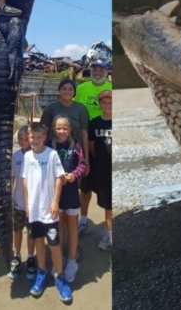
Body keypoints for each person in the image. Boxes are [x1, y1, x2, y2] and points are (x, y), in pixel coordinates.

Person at [23, 122, 72, 303]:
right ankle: (41, 272)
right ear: (28, 138)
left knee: (54, 244)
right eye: (32, 138)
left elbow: (60, 178)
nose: (35, 140)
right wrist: (28, 205)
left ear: (44, 137)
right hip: (34, 211)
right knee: (38, 243)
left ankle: (60, 277)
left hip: (49, 210)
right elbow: (25, 181)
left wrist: (55, 201)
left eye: (38, 137)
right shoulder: (27, 157)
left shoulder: (51, 154)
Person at [74, 59, 112, 236]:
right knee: (85, 184)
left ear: (106, 71)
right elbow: (74, 109)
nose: (97, 72)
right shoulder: (82, 89)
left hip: (106, 140)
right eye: (95, 69)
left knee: (107, 186)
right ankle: (83, 220)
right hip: (84, 140)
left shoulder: (112, 88)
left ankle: (110, 228)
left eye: (101, 69)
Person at [48, 115, 86, 284]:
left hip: (71, 193)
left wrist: (74, 175)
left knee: (71, 226)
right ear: (54, 129)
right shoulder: (49, 146)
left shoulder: (76, 146)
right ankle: (60, 258)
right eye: (58, 128)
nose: (62, 131)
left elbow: (82, 165)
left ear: (70, 129)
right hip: (55, 195)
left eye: (65, 128)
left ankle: (71, 260)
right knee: (58, 227)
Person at [9, 125, 37, 280]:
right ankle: (17, 255)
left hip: (33, 204)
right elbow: (12, 178)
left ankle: (31, 257)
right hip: (18, 202)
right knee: (17, 230)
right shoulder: (15, 156)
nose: (24, 141)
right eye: (20, 139)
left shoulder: (37, 155)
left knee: (32, 232)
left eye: (27, 138)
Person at [39, 78, 90, 162]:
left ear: (74, 92)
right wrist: (41, 152)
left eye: (70, 89)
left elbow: (84, 134)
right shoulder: (51, 108)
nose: (67, 92)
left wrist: (86, 160)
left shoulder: (81, 109)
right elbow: (44, 131)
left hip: (75, 152)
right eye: (64, 89)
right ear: (59, 90)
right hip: (53, 150)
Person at [88, 90, 113, 252]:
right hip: (103, 171)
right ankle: (109, 235)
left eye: (110, 102)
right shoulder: (95, 123)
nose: (107, 105)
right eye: (104, 103)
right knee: (107, 206)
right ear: (100, 104)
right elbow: (91, 146)